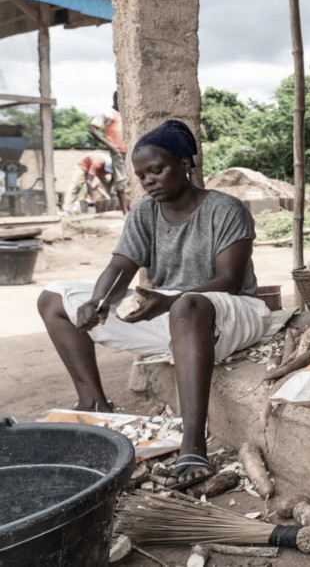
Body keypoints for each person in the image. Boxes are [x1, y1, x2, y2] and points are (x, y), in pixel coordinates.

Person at [37, 119, 271, 489]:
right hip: (168, 316)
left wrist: (168, 302)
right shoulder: (144, 214)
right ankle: (94, 403)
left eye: (157, 170)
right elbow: (119, 269)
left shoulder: (227, 209)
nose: (148, 181)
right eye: (141, 174)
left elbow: (228, 279)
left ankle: (193, 445)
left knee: (187, 306)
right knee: (53, 297)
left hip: (229, 313)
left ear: (185, 164)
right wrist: (98, 301)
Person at [90, 90, 130, 213]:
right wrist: (110, 145)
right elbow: (92, 129)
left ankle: (130, 208)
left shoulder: (125, 113)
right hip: (118, 151)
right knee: (120, 179)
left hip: (129, 150)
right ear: (116, 99)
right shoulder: (108, 113)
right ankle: (125, 211)